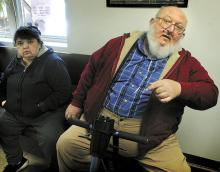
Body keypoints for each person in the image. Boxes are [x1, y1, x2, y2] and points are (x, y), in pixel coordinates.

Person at [56, 6, 218, 172]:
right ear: (152, 22)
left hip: (148, 134)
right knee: (66, 146)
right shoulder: (118, 44)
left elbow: (211, 94)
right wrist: (76, 102)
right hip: (98, 120)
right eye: (166, 21)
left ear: (181, 36)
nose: (170, 29)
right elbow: (91, 69)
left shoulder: (186, 63)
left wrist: (180, 88)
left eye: (178, 27)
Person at [0, 26, 72, 172]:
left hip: (45, 113)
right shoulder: (16, 61)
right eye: (20, 43)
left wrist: (40, 107)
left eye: (30, 42)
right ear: (16, 46)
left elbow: (64, 92)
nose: (25, 47)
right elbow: (4, 81)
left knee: (51, 139)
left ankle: (55, 167)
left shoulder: (53, 62)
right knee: (3, 125)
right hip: (16, 111)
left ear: (39, 43)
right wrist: (3, 101)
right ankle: (17, 162)